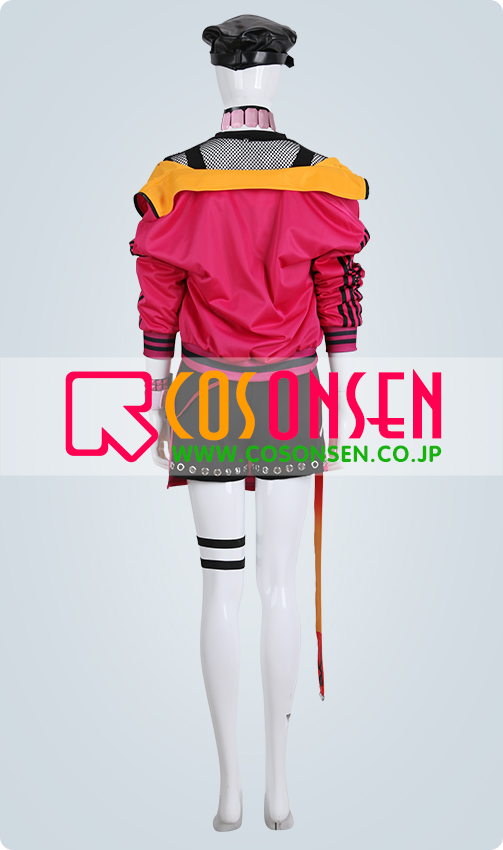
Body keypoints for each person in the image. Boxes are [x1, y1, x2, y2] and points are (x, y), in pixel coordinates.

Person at [130, 14, 369, 831]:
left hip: (202, 392)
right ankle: (277, 787)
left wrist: (154, 389)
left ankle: (230, 789)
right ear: (274, 76)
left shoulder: (174, 179)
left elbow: (158, 293)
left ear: (221, 77)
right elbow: (338, 286)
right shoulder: (320, 178)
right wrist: (346, 385)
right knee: (278, 585)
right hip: (292, 390)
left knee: (219, 584)